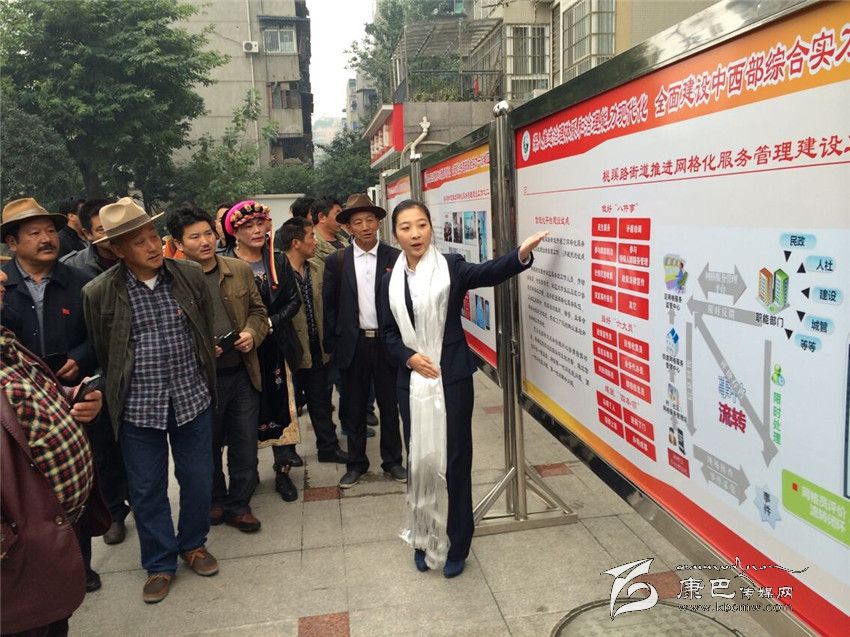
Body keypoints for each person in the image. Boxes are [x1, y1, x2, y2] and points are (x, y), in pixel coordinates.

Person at [378, 199, 547, 578]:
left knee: (455, 460)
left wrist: (520, 254)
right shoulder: (389, 280)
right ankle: (423, 536)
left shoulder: (451, 267)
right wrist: (409, 357)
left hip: (451, 377)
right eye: (406, 227)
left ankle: (457, 543)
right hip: (412, 383)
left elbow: (488, 272)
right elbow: (388, 334)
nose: (415, 234)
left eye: (421, 225)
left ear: (430, 227)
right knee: (420, 458)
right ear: (396, 235)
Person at [83, 197, 219, 603]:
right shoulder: (99, 292)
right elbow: (103, 350)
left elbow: (203, 329)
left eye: (152, 236)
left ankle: (193, 544)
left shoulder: (189, 275)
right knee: (146, 490)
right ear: (117, 249)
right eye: (138, 241)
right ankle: (159, 563)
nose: (152, 246)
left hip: (191, 398)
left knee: (198, 479)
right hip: (138, 408)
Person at [1, 197, 105, 591]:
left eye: (50, 231)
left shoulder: (80, 281)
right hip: (20, 409)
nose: (47, 239)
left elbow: (100, 337)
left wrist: (80, 358)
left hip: (72, 400)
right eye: (34, 233)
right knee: (29, 492)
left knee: (74, 479)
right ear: (13, 242)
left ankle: (80, 565)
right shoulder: (4, 287)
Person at [167, 205, 270, 532]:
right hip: (198, 379)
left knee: (244, 443)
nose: (204, 242)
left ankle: (239, 505)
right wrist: (197, 348)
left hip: (241, 372)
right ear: (178, 243)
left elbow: (258, 311)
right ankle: (215, 499)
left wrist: (251, 334)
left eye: (208, 234)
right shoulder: (172, 280)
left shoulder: (238, 269)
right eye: (194, 237)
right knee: (205, 445)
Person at [323, 193, 406, 490]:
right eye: (358, 222)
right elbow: (329, 306)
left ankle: (392, 461)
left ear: (379, 223)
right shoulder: (337, 261)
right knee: (354, 407)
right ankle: (356, 463)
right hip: (354, 343)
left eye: (370, 220)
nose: (365, 226)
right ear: (349, 228)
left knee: (390, 404)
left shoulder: (395, 258)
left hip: (387, 342)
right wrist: (332, 346)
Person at [61, 199, 131, 546]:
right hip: (99, 373)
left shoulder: (138, 258)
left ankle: (143, 501)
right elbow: (81, 329)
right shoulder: (75, 271)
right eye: (102, 230)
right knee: (104, 449)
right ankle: (115, 512)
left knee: (137, 445)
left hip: (138, 370)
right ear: (87, 234)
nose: (110, 236)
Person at [222, 200, 303, 501]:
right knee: (246, 413)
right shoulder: (225, 263)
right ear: (234, 232)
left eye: (260, 223)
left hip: (277, 345)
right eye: (248, 226)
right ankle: (248, 472)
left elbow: (293, 300)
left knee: (282, 407)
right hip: (242, 351)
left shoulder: (278, 259)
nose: (257, 230)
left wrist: (269, 323)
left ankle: (283, 471)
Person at [280, 216, 348, 464]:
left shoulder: (318, 269)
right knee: (287, 404)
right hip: (290, 352)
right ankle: (286, 453)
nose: (315, 241)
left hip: (318, 348)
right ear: (296, 243)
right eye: (311, 237)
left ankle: (328, 448)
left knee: (321, 401)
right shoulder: (277, 274)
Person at [61, 198, 120, 278]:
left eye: (113, 226)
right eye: (102, 229)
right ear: (88, 234)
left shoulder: (135, 253)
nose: (110, 233)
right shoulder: (73, 266)